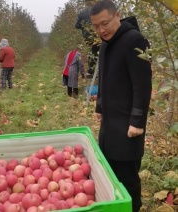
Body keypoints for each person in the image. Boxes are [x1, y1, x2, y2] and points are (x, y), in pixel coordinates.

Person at [90, 1, 152, 212]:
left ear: (118, 15)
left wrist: (137, 121)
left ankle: (133, 207)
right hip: (110, 122)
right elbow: (104, 79)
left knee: (127, 175)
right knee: (110, 168)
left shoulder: (134, 40)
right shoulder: (107, 43)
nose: (101, 30)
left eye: (105, 23)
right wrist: (99, 105)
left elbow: (142, 85)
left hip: (127, 125)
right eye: (96, 26)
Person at [75, 0, 100, 78]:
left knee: (92, 52)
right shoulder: (98, 9)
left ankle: (91, 71)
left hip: (87, 37)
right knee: (97, 51)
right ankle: (93, 71)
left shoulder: (82, 12)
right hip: (98, 35)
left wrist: (84, 27)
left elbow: (76, 25)